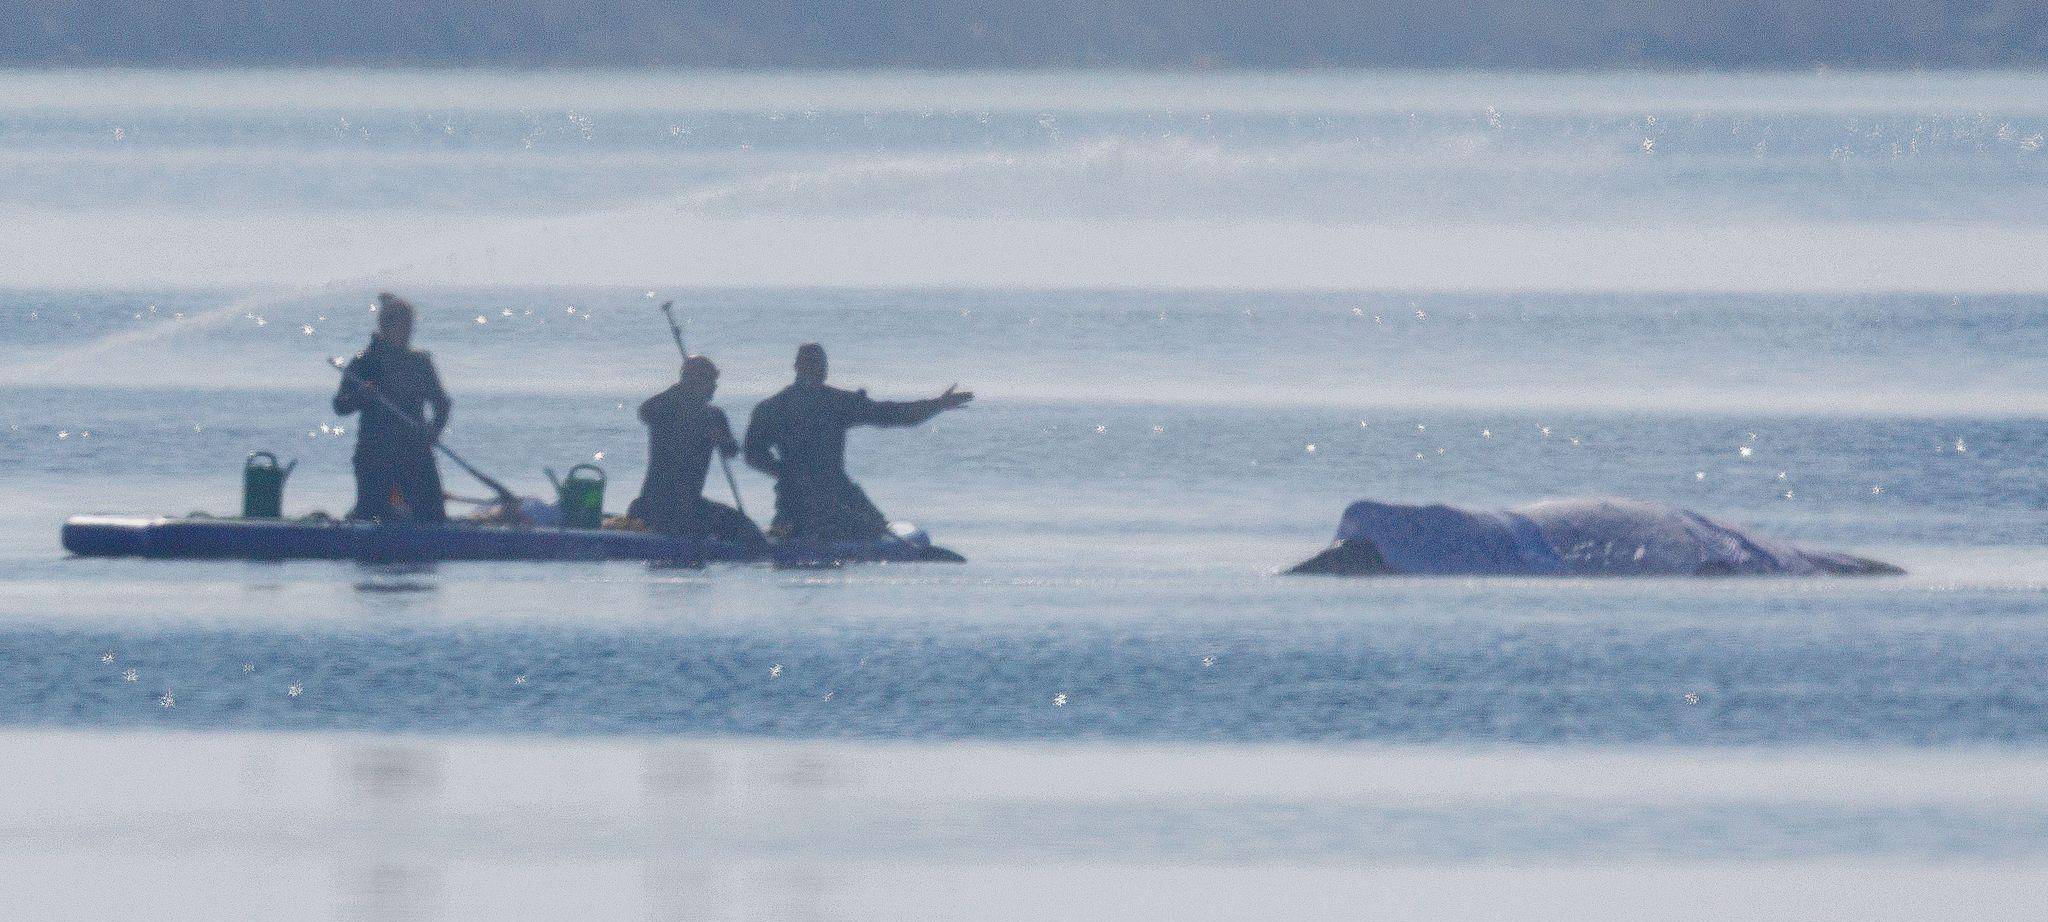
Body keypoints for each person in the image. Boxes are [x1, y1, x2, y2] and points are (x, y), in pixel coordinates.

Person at [743, 343, 972, 541]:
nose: (816, 370)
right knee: (873, 529)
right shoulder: (775, 408)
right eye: (811, 364)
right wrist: (789, 475)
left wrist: (936, 405)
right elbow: (753, 454)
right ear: (797, 367)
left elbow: (889, 414)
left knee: (873, 526)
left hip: (831, 491)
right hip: (798, 496)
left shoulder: (834, 402)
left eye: (819, 364)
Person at [627, 355, 768, 549]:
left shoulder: (713, 415)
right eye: (710, 381)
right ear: (693, 381)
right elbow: (644, 411)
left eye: (714, 382)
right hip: (657, 502)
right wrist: (681, 390)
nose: (714, 387)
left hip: (690, 503)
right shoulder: (668, 407)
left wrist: (720, 438)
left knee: (746, 530)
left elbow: (731, 451)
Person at [332, 292, 450, 523]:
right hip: (375, 452)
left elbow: (442, 404)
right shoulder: (366, 361)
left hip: (415, 451)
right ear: (387, 327)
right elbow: (340, 405)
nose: (408, 333)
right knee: (371, 515)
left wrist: (434, 431)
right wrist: (361, 396)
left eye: (410, 327)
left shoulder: (419, 363)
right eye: (403, 327)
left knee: (433, 518)